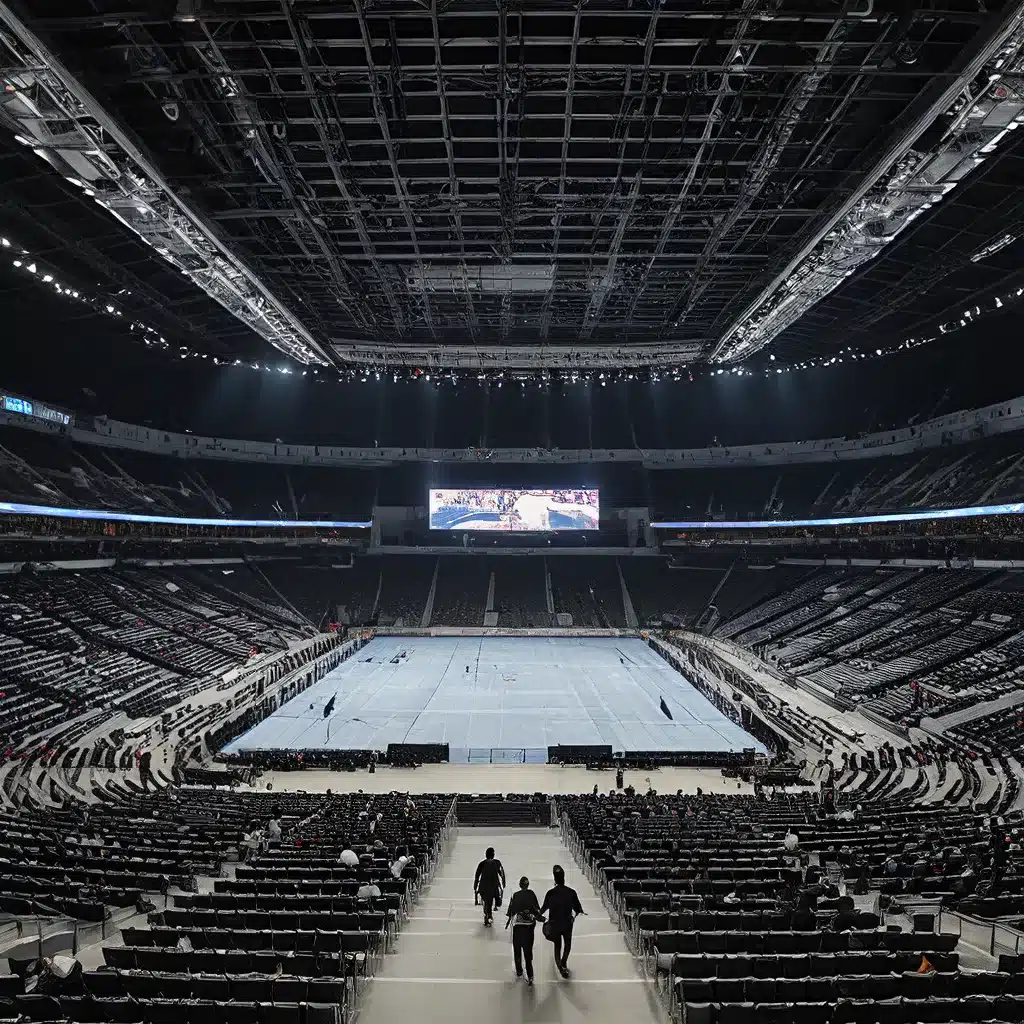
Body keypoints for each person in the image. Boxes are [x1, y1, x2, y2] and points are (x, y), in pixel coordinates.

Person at [540, 864, 585, 977]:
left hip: (554, 923)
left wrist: (538, 916)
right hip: (567, 923)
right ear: (564, 878)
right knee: (567, 944)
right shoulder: (571, 892)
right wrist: (574, 916)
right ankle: (564, 962)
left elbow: (543, 908)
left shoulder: (550, 893)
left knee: (557, 945)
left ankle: (560, 966)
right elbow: (578, 909)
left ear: (555, 879)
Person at [505, 876, 543, 984]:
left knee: (517, 948)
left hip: (518, 925)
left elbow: (510, 912)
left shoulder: (516, 895)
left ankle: (519, 970)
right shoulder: (531, 894)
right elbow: (536, 909)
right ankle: (530, 975)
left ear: (520, 885)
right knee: (527, 950)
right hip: (529, 926)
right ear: (528, 885)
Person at [473, 847, 505, 926]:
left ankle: (488, 914)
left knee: (487, 902)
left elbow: (477, 875)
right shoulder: (497, 863)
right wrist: (503, 884)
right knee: (496, 900)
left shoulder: (482, 863)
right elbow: (502, 873)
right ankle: (492, 910)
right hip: (494, 887)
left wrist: (475, 886)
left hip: (483, 887)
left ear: (486, 855)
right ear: (493, 855)